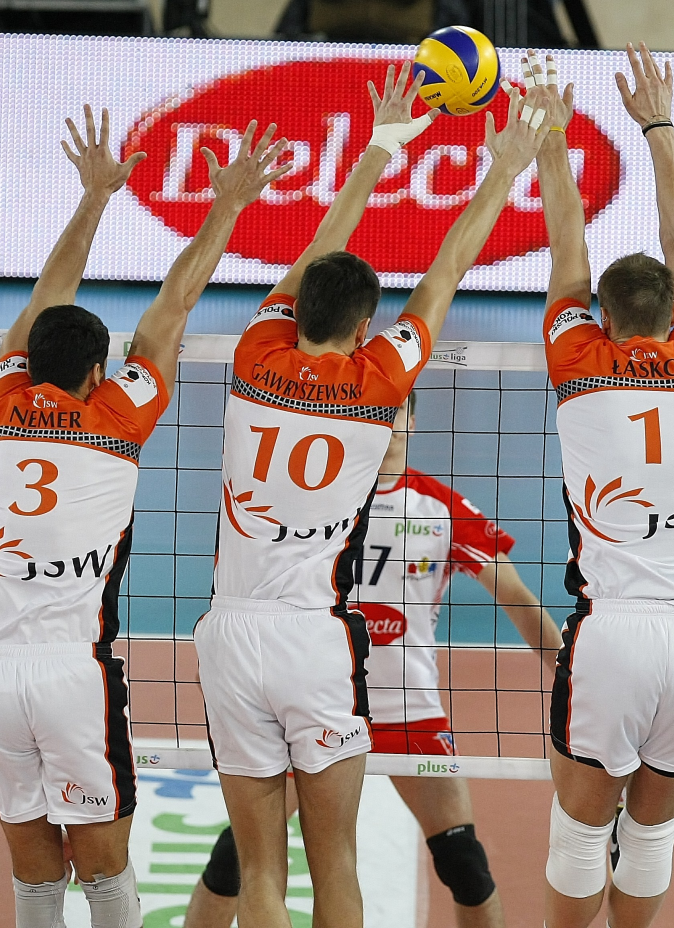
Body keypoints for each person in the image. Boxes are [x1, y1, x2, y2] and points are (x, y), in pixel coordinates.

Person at [194, 65, 551, 928]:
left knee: (259, 872)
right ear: (364, 328)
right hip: (315, 642)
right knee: (337, 868)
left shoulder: (253, 355)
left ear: (291, 310)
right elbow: (448, 268)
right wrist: (505, 169)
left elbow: (319, 249)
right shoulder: (380, 379)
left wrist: (381, 145)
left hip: (229, 633)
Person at [0, 104, 290, 928]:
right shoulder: (118, 415)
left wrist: (95, 197)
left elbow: (48, 296)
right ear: (99, 374)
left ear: (25, 361)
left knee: (35, 876)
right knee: (105, 871)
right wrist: (229, 204)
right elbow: (173, 306)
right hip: (72, 673)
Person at [185, 392, 564, 928]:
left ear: (414, 419)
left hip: (409, 710)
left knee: (465, 865)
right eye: (377, 411)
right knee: (234, 863)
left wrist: (569, 676)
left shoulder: (441, 508)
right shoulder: (318, 499)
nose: (387, 423)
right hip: (320, 703)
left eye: (397, 412)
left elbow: (519, 601)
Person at [532, 46, 674, 928]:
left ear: (605, 319)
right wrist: (658, 126)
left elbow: (567, 252)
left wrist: (549, 138)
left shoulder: (580, 361)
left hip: (613, 632)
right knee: (653, 834)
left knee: (581, 834)